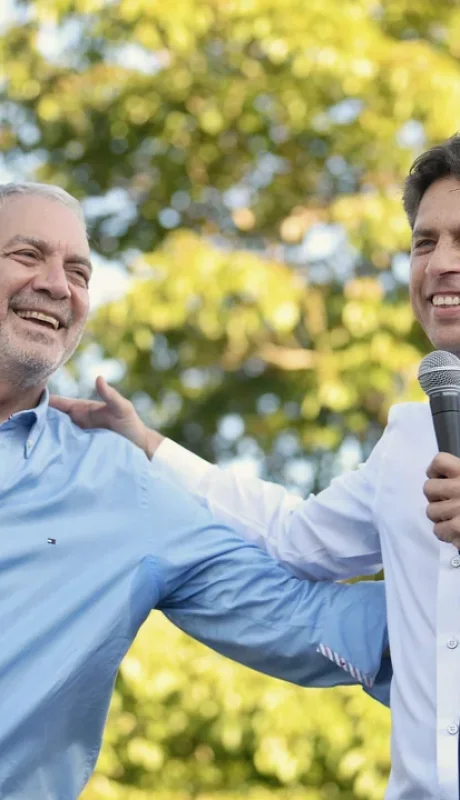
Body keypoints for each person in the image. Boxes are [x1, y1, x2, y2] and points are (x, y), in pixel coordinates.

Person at [54, 133, 460, 800]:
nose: (440, 264)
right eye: (425, 242)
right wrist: (147, 444)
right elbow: (293, 539)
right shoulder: (409, 436)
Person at [0, 181, 390, 800]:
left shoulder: (119, 484)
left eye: (79, 270)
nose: (57, 284)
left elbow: (314, 623)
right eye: (26, 255)